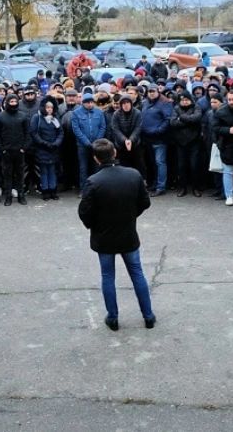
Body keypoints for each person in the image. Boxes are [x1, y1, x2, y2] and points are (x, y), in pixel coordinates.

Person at [78, 139, 155, 331]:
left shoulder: (93, 182)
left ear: (96, 159)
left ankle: (113, 318)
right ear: (115, 153)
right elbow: (145, 202)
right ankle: (148, 316)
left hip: (104, 236)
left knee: (108, 276)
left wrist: (95, 225)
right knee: (137, 274)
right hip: (128, 233)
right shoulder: (133, 175)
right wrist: (130, 216)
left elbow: (84, 212)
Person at [0, 94, 31, 206]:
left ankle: (21, 196)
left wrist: (24, 148)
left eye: (15, 101)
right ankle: (8, 197)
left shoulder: (23, 116)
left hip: (19, 151)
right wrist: (2, 149)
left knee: (20, 175)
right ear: (7, 103)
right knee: (7, 175)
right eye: (11, 101)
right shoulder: (0, 117)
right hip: (7, 151)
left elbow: (27, 134)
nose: (13, 103)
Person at [72, 93, 108, 191]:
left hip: (96, 145)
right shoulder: (76, 113)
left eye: (92, 102)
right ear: (83, 103)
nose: (90, 104)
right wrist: (86, 142)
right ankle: (83, 189)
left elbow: (102, 127)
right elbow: (76, 130)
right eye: (87, 102)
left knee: (96, 167)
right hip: (82, 146)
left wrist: (97, 141)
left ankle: (96, 188)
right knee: (83, 168)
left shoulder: (99, 112)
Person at [30, 96, 63, 200]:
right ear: (43, 107)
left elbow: (60, 132)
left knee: (52, 170)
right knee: (43, 171)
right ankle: (45, 190)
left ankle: (53, 190)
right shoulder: (37, 117)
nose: (49, 109)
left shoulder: (55, 119)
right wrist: (44, 143)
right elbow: (34, 133)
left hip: (53, 149)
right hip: (42, 149)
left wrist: (56, 143)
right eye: (47, 107)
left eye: (51, 108)